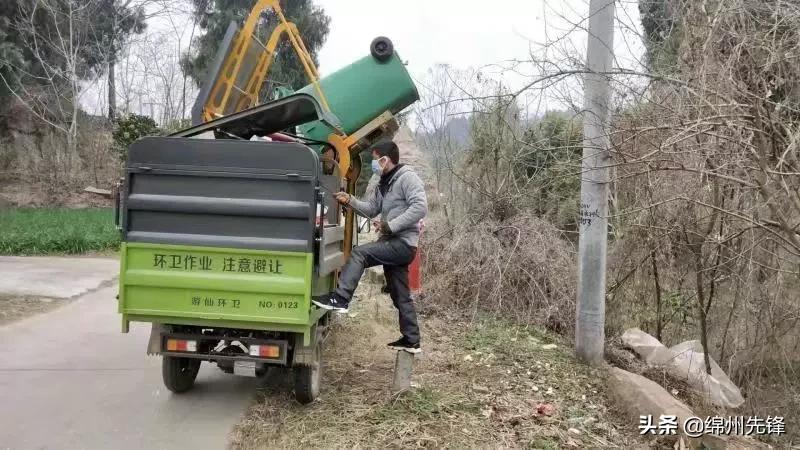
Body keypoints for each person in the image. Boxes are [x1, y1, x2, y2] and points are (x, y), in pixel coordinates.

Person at [312, 139, 428, 353]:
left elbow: (420, 207)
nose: (374, 163)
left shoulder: (407, 178)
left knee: (359, 254)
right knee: (399, 292)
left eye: (376, 159)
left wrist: (390, 226)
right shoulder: (384, 182)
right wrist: (349, 200)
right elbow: (372, 209)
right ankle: (412, 339)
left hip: (402, 243)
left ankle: (341, 298)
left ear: (386, 159)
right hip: (392, 242)